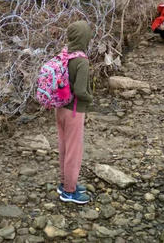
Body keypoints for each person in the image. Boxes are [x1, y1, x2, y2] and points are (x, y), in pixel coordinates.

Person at [57, 21, 93, 204]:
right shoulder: (82, 61)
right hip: (74, 111)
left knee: (64, 147)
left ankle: (64, 182)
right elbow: (80, 91)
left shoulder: (64, 54)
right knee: (74, 151)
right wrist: (90, 99)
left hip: (60, 108)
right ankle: (69, 191)